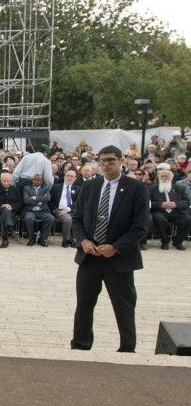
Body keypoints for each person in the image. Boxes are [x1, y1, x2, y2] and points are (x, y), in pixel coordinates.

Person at [70, 146, 150, 353]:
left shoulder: (136, 188)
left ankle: (127, 347)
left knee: (124, 306)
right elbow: (77, 218)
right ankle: (80, 345)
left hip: (118, 259)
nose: (106, 164)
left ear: (121, 161)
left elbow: (140, 226)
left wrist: (116, 247)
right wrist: (83, 241)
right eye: (103, 160)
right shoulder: (90, 186)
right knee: (84, 305)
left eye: (111, 160)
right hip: (90, 256)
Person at [148, 164, 189, 250]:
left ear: (171, 177)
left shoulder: (179, 188)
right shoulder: (152, 188)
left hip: (176, 212)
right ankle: (165, 242)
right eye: (162, 176)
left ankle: (177, 242)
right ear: (159, 177)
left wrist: (175, 204)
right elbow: (148, 203)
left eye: (167, 176)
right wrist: (160, 204)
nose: (164, 178)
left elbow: (186, 202)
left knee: (188, 219)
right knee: (160, 219)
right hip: (159, 212)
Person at [22, 173, 55, 246]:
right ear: (32, 180)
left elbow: (47, 198)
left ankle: (42, 239)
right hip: (31, 210)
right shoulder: (26, 188)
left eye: (38, 180)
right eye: (35, 180)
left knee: (50, 218)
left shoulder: (46, 188)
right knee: (28, 218)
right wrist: (40, 201)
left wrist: (34, 198)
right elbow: (26, 200)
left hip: (42, 210)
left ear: (42, 181)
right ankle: (32, 238)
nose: (36, 181)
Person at [50, 169, 79, 248]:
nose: (69, 178)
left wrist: (68, 209)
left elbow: (78, 202)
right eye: (68, 176)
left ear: (75, 178)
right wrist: (55, 210)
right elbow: (50, 201)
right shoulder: (56, 187)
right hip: (59, 210)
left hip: (72, 211)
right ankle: (65, 240)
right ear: (64, 177)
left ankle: (74, 240)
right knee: (67, 219)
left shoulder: (77, 189)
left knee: (81, 218)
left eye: (72, 176)